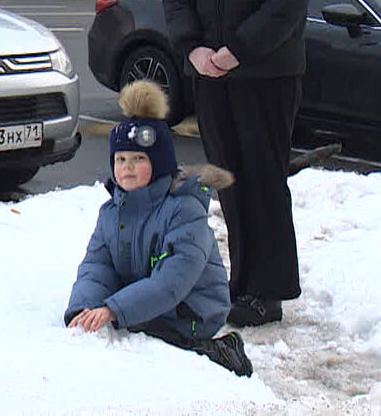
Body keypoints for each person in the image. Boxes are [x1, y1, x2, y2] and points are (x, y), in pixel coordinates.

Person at [161, 0, 344, 327]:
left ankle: (268, 290)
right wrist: (193, 48)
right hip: (210, 72)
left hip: (266, 71)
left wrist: (237, 49)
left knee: (263, 179)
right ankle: (241, 282)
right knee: (230, 180)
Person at [64, 80, 253, 377]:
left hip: (190, 313)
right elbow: (96, 266)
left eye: (139, 159)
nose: (127, 167)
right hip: (148, 304)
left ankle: (222, 351)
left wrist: (114, 309)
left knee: (160, 350)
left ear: (161, 163)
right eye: (121, 159)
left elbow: (171, 283)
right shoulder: (112, 213)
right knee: (133, 329)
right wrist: (83, 308)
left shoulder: (184, 210)